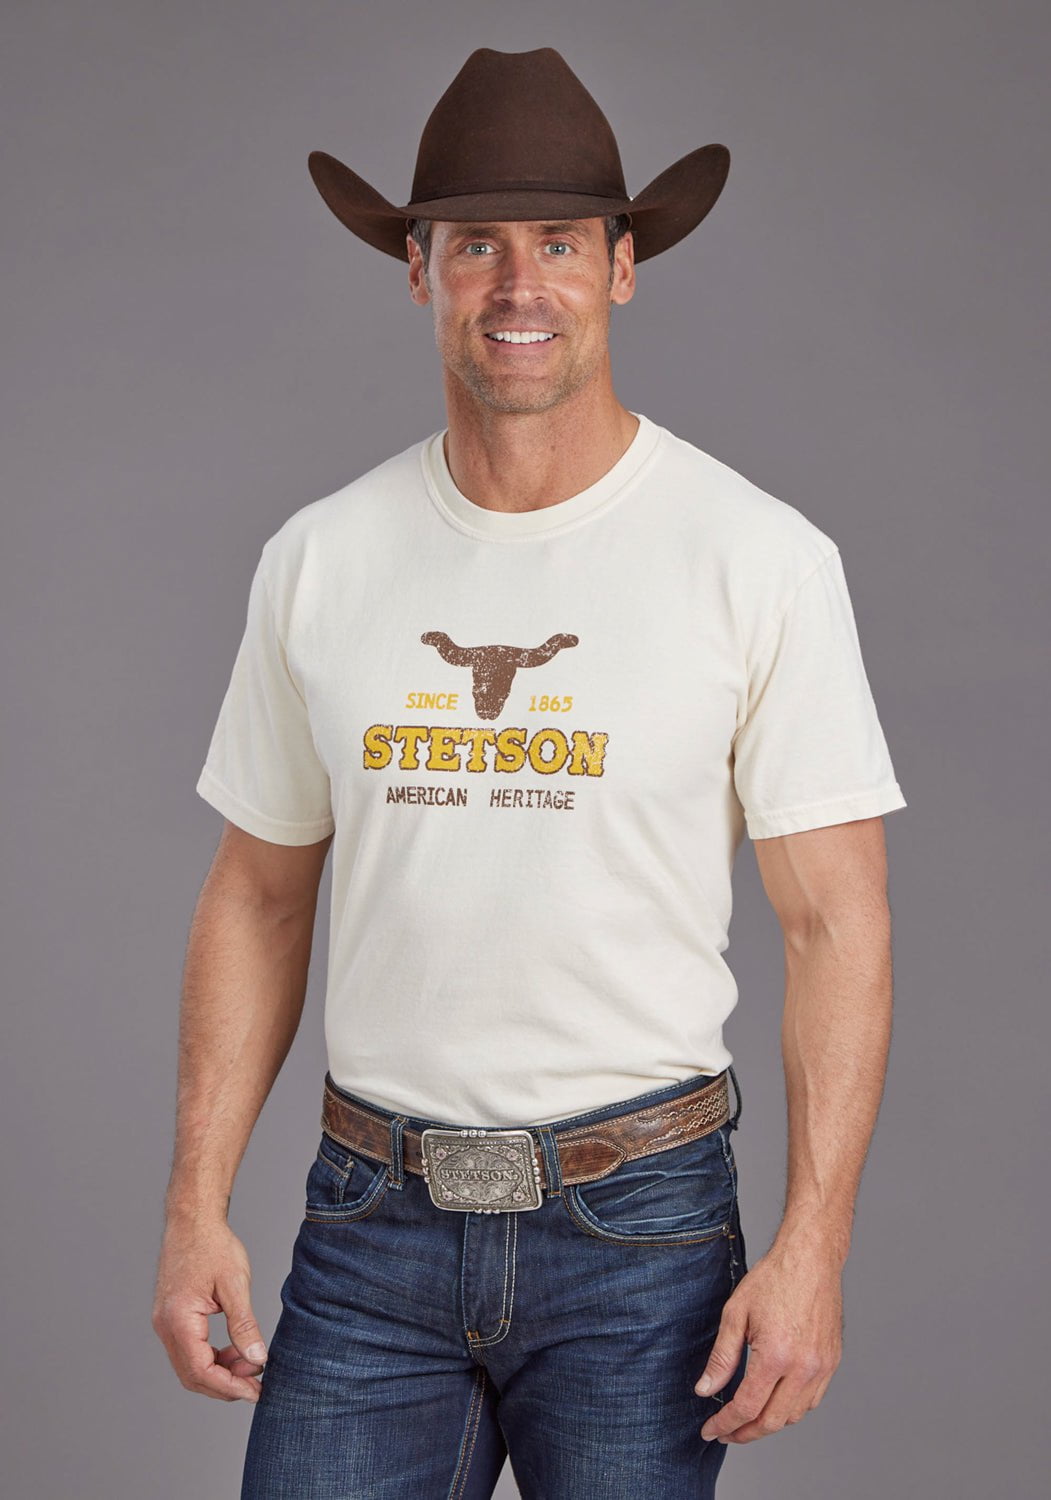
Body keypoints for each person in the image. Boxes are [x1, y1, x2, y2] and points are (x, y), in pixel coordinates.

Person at [152, 46, 908, 1499]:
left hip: (641, 1235)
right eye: (474, 244)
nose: (519, 284)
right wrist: (194, 1205)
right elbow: (255, 896)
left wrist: (814, 1247)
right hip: (369, 1226)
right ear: (418, 271)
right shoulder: (322, 558)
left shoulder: (757, 559)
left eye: (559, 241)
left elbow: (837, 924)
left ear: (621, 266)